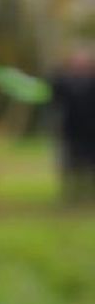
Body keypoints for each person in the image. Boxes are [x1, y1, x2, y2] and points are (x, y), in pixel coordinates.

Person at [50, 44, 95, 203]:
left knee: (90, 165)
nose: (80, 65)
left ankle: (88, 193)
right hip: (70, 130)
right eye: (77, 61)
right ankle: (71, 195)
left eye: (83, 62)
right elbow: (54, 96)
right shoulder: (63, 81)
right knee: (70, 164)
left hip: (91, 132)